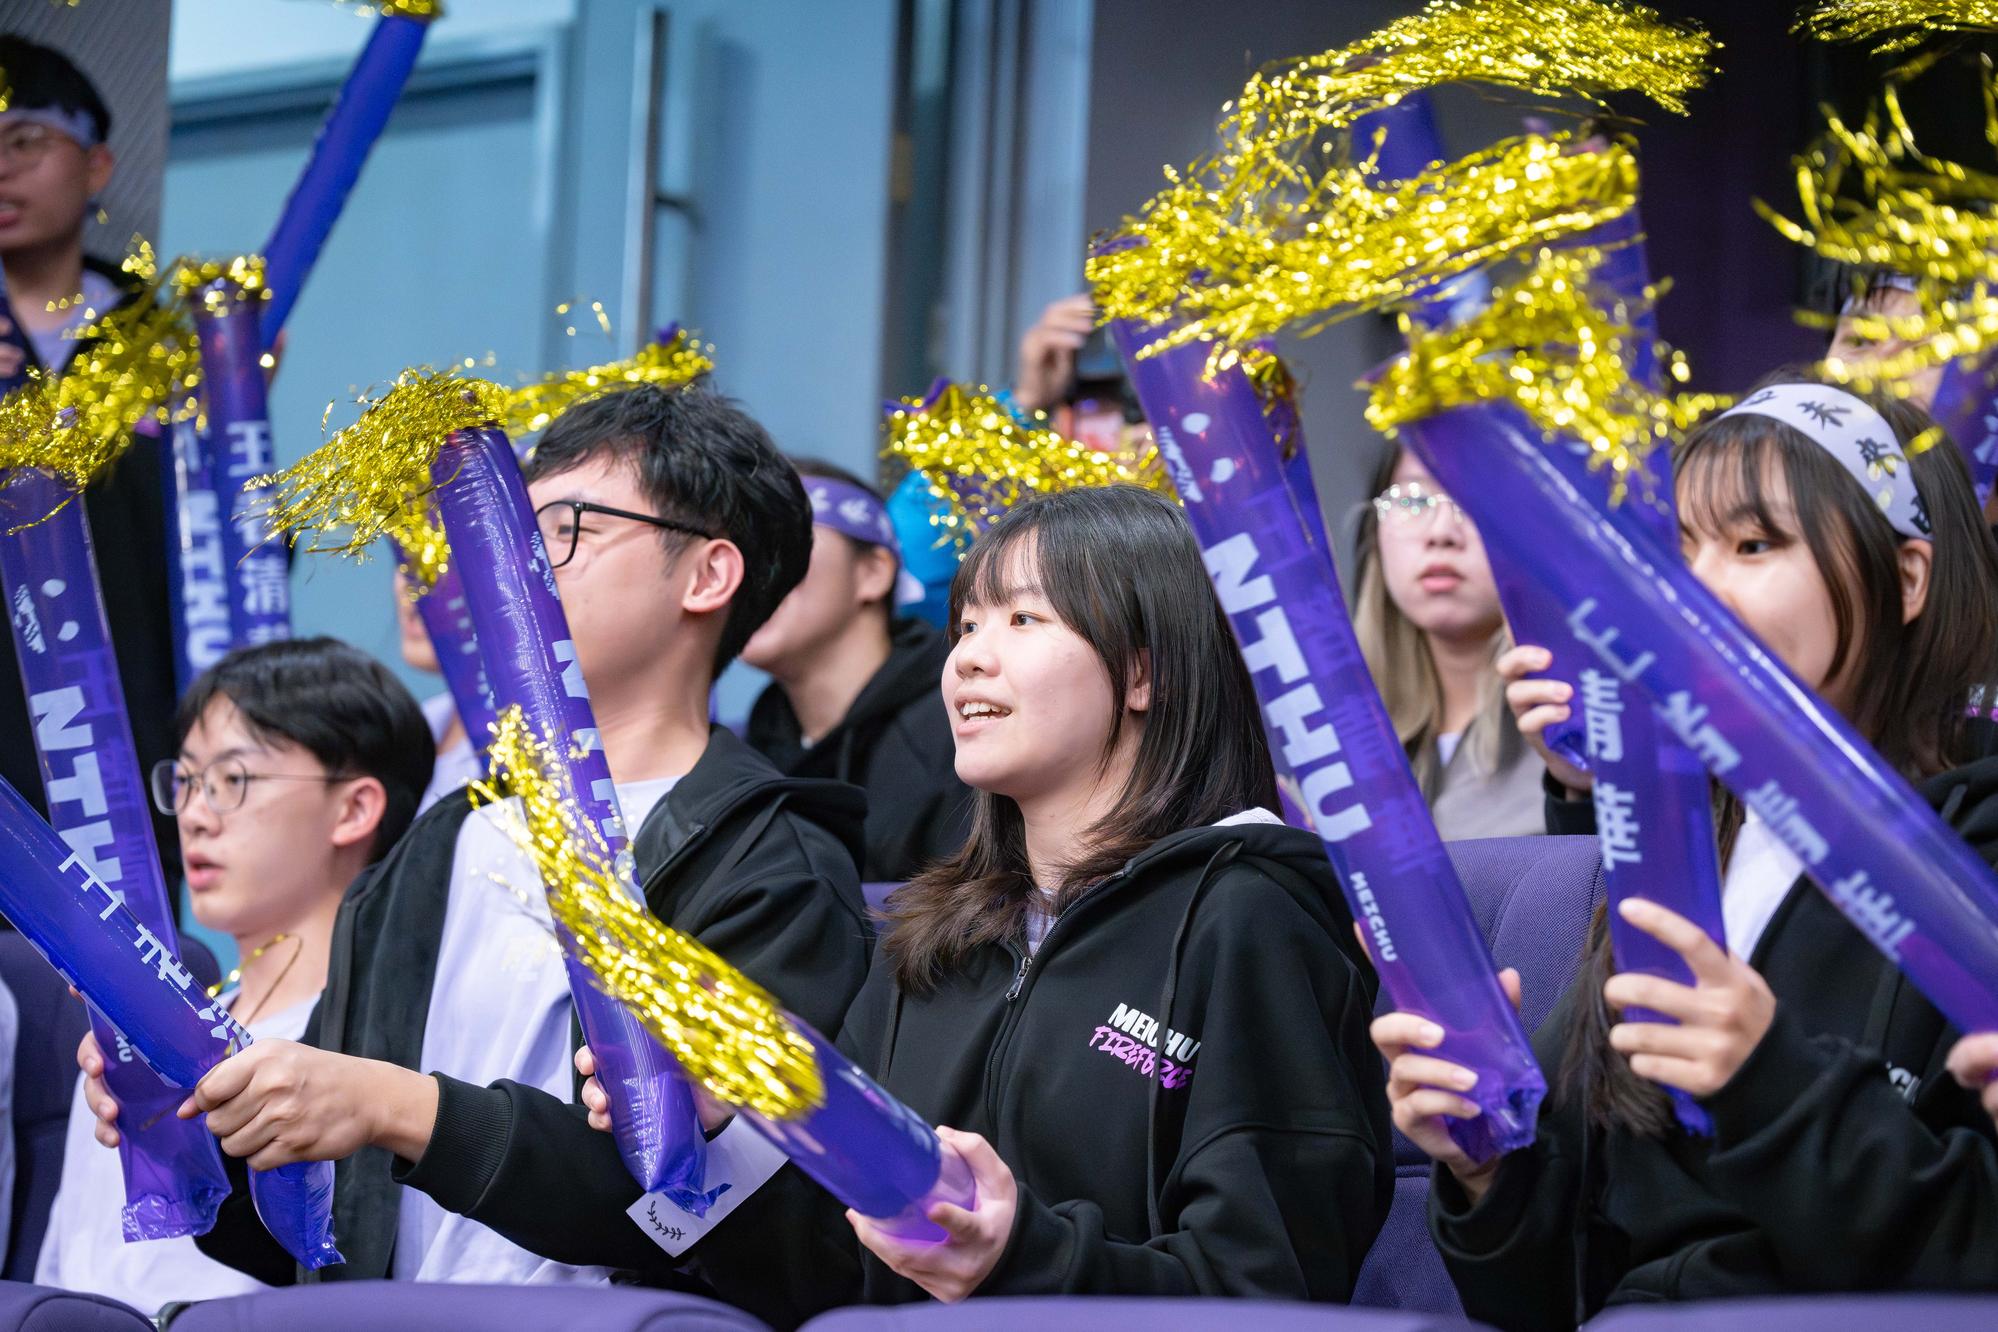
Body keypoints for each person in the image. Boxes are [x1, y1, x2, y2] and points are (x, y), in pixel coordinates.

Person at [89, 385, 871, 1288]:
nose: (510, 560)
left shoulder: (771, 865)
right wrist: (193, 1119)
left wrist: (400, 1108)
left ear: (707, 575)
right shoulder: (434, 850)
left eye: (567, 526)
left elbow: (732, 1223)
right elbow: (323, 1236)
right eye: (505, 528)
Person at [561, 485, 1390, 1325]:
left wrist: (1014, 1257)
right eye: (966, 627)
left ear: (1147, 672)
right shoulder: (933, 933)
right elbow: (829, 1271)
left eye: (1023, 620)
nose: (967, 659)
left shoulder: (1251, 915)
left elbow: (1270, 1292)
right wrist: (724, 1126)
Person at [1382, 379, 1998, 1327]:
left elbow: (1965, 1251)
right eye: (1678, 552)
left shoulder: (1973, 856)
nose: (1696, 591)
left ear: (1907, 579)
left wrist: (1766, 1077)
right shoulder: (1685, 848)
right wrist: (1481, 1165)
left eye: (1755, 544)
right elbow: (1540, 1291)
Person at [52, 638, 430, 1314]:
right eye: (188, 782)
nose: (195, 814)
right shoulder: (129, 1029)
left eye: (232, 781)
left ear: (354, 809)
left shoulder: (382, 1055)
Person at [0, 34, 178, 874]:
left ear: (98, 165)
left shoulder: (164, 345)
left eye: (25, 141)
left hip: (133, 744)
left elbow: (239, 556)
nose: (0, 168)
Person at [741, 458, 969, 882]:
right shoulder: (749, 751)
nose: (748, 572)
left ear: (873, 572)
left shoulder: (961, 726)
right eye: (737, 548)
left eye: (781, 542)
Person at [1354, 445, 1544, 838]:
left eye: (1477, 502)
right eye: (1415, 499)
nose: (1441, 533)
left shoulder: (1571, 734)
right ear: (1375, 533)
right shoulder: (1338, 738)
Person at [390, 570, 482, 812]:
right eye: (406, 546)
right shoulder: (416, 724)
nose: (416, 580)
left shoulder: (539, 751)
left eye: (448, 551)